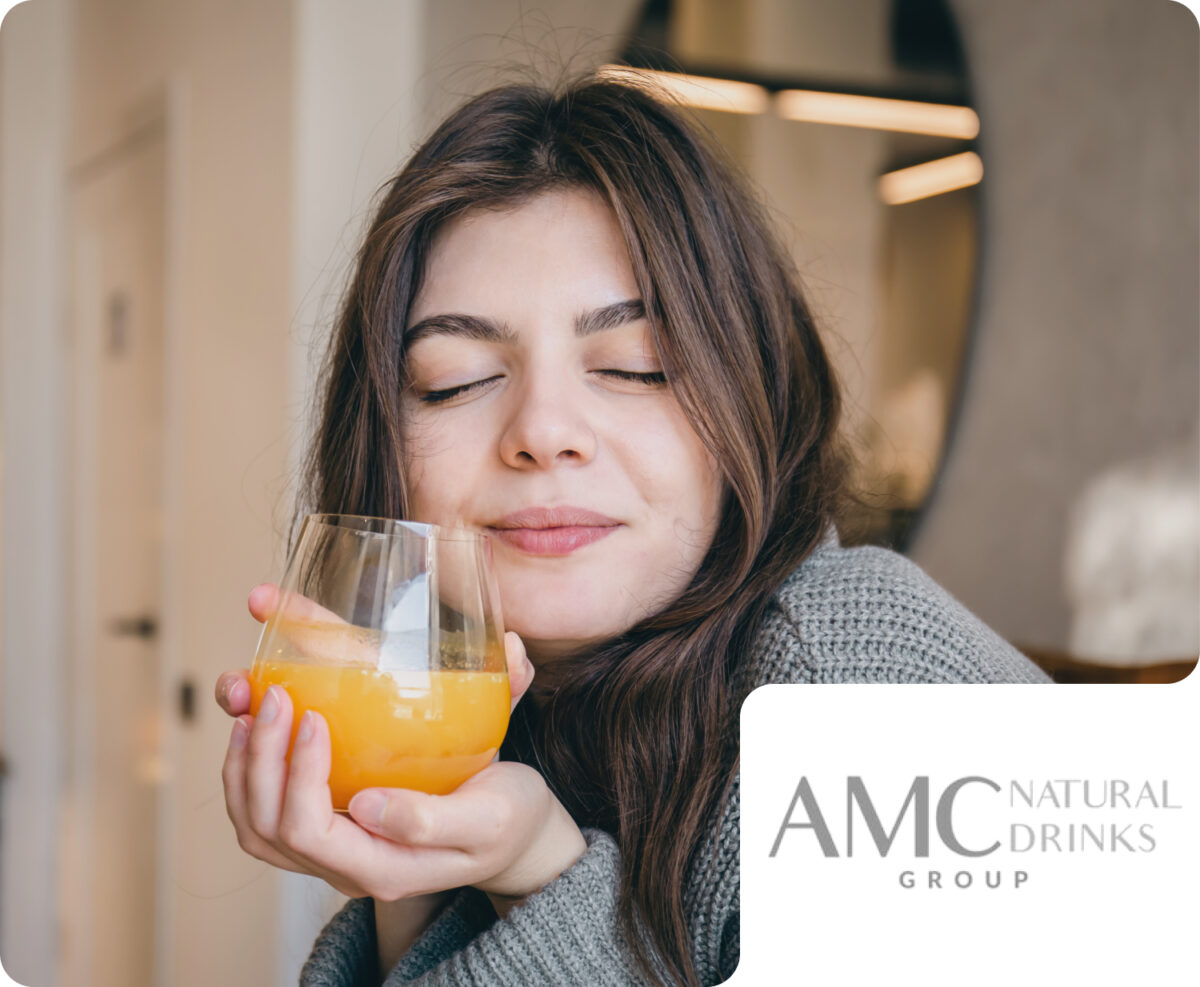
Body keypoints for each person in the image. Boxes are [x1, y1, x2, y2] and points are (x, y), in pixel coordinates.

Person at [215, 74, 1050, 987]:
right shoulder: (509, 701)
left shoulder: (862, 688)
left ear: (750, 393)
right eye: (455, 380)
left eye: (633, 366)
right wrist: (412, 869)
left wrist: (539, 872)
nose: (543, 431)